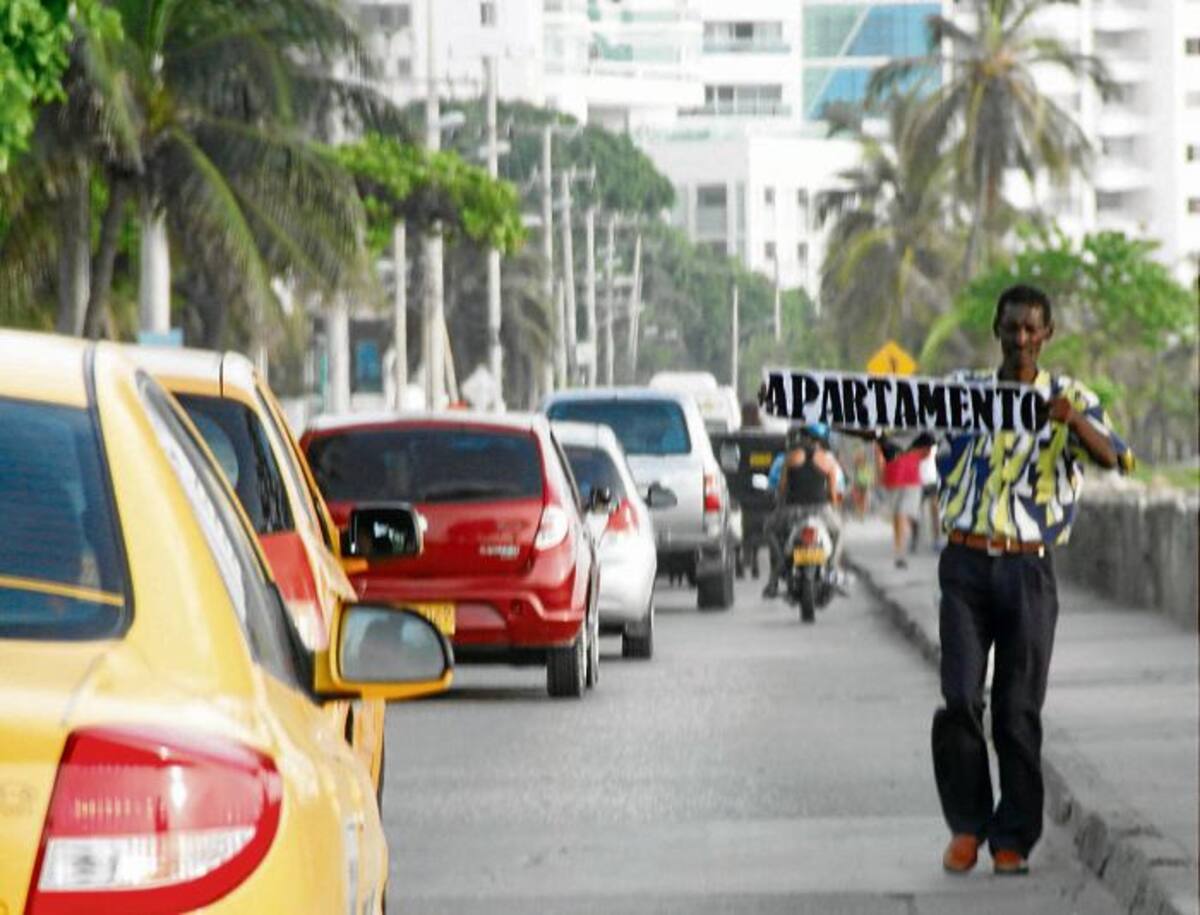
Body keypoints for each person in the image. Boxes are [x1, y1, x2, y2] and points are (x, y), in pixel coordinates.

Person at [881, 284, 1132, 877]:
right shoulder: (963, 395)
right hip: (965, 564)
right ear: (997, 328)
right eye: (1011, 327)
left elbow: (1115, 459)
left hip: (1027, 569)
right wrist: (837, 413)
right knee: (961, 696)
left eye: (1031, 330)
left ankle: (1013, 836)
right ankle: (967, 827)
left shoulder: (1070, 398)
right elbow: (898, 436)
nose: (1020, 339)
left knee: (1018, 710)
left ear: (1047, 335)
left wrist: (1071, 424)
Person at [761, 422, 844, 599]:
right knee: (838, 532)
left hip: (793, 511)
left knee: (768, 529)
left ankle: (779, 569)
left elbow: (782, 488)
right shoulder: (828, 461)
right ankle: (833, 568)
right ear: (821, 442)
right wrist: (834, 508)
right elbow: (832, 493)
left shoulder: (790, 458)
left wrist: (782, 502)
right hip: (821, 511)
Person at [877, 443, 926, 568]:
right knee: (900, 515)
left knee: (901, 515)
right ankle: (900, 548)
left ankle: (900, 549)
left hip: (902, 476)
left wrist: (881, 476)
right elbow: (880, 455)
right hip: (904, 475)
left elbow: (880, 455)